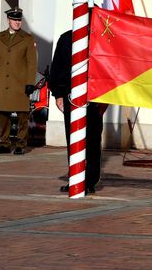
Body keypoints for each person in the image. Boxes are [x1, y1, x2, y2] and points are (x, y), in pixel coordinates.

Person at [48, 30, 106, 194]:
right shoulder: (67, 38)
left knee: (93, 139)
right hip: (70, 94)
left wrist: (106, 98)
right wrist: (57, 94)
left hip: (94, 96)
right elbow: (57, 66)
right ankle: (75, 177)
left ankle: (90, 180)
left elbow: (108, 68)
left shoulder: (101, 37)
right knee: (73, 138)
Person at [0, 7, 37, 155]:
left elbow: (31, 63)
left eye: (19, 20)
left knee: (22, 116)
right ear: (8, 20)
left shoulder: (27, 38)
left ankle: (21, 144)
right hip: (2, 82)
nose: (17, 22)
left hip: (20, 82)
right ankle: (5, 143)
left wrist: (30, 83)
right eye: (14, 20)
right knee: (3, 115)